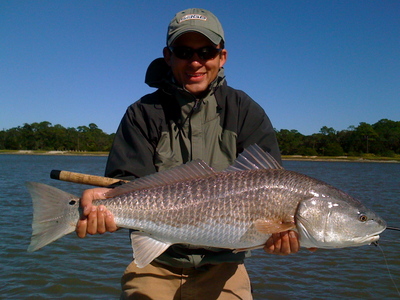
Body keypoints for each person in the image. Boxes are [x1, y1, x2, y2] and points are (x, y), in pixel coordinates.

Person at [76, 8, 302, 300]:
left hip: (224, 267)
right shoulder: (143, 114)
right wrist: (106, 204)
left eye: (206, 51)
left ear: (222, 57)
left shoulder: (246, 112)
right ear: (168, 56)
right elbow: (126, 182)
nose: (195, 62)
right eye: (184, 52)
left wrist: (282, 236)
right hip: (156, 261)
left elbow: (273, 185)